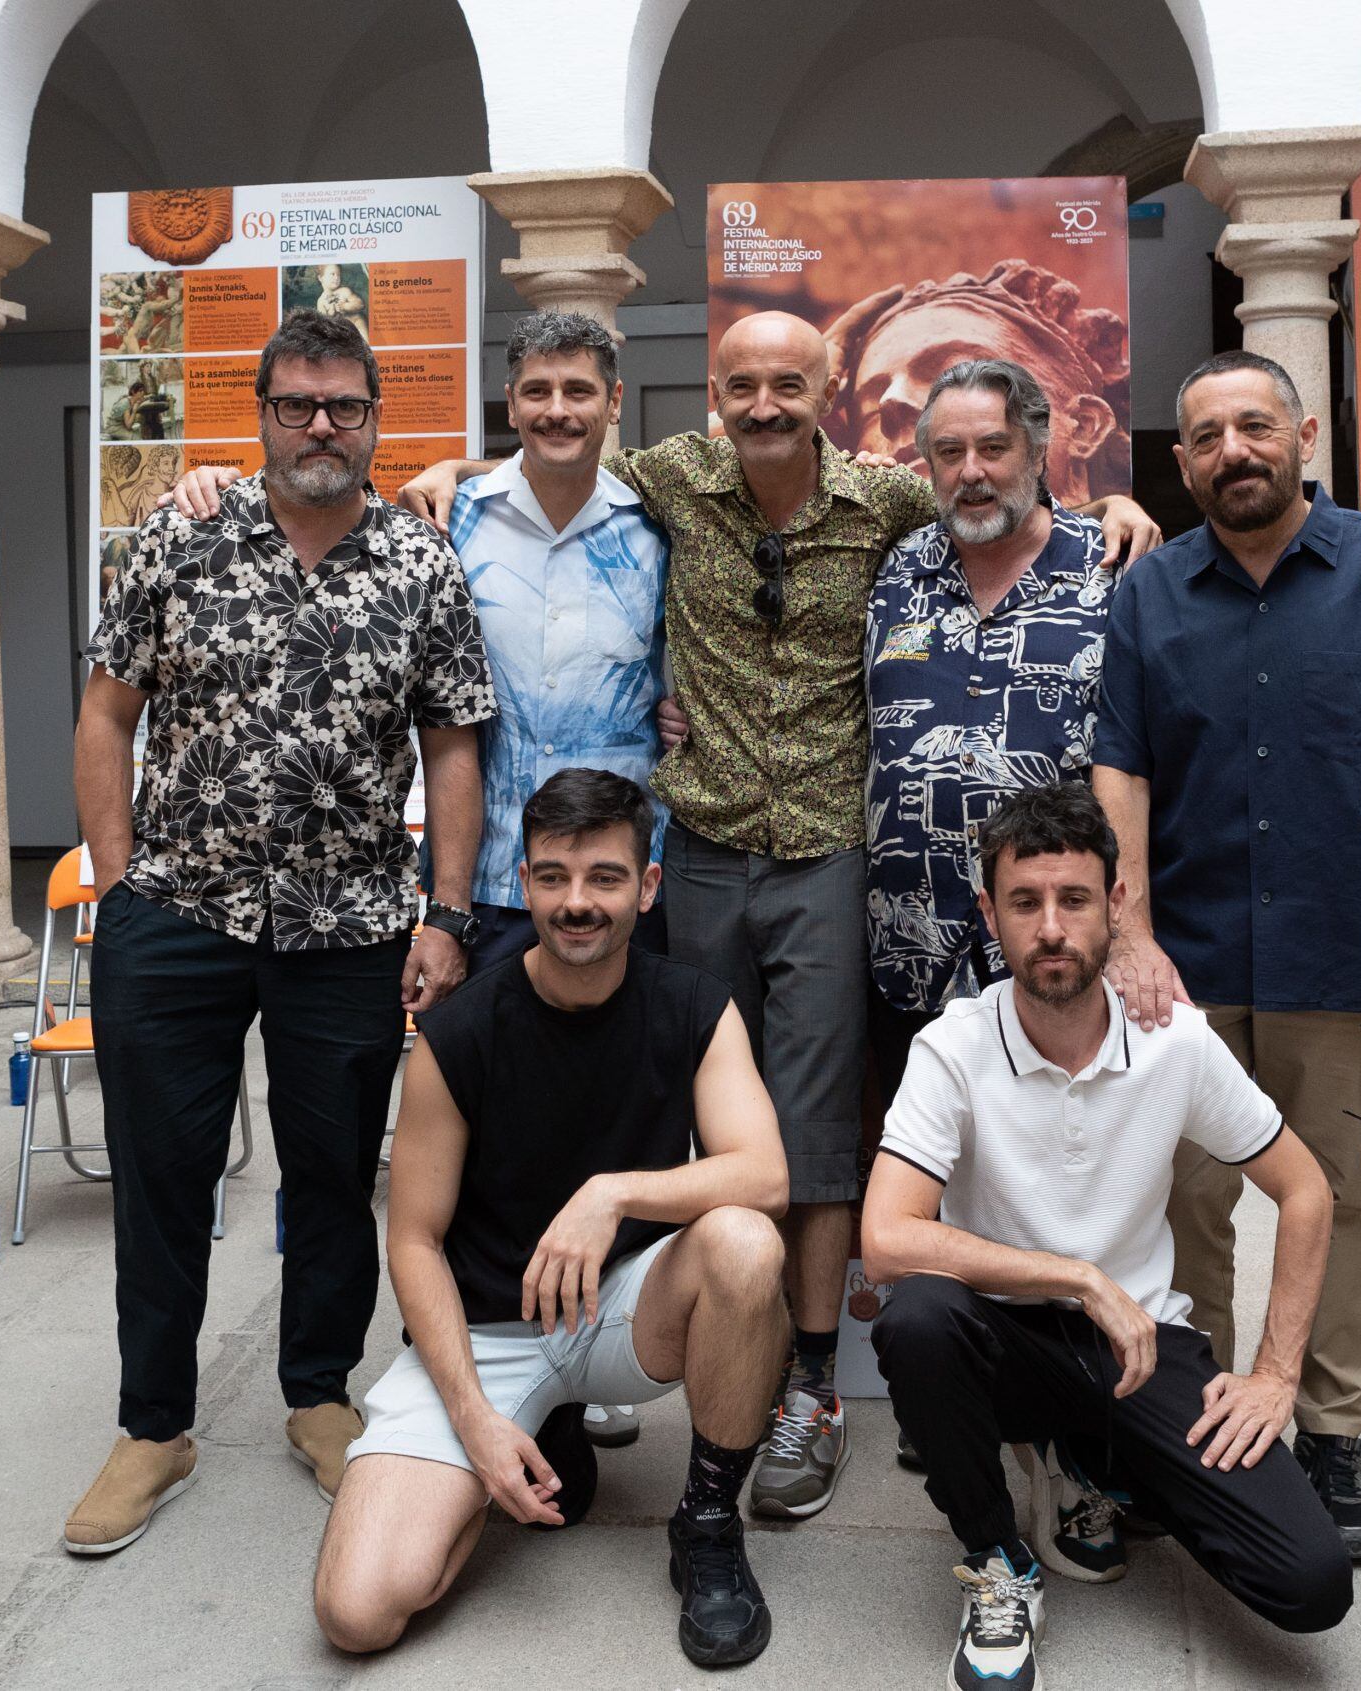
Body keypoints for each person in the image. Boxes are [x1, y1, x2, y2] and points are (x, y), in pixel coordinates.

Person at [399, 313, 1163, 1523]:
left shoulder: (884, 503)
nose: (764, 403)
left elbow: (1006, 511)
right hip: (695, 847)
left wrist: (1111, 513)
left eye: (787, 384)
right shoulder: (670, 478)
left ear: (826, 394)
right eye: (742, 384)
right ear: (715, 394)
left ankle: (808, 1382)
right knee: (696, 1108)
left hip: (824, 851)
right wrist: (442, 472)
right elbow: (551, 457)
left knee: (810, 1123)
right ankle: (648, 1342)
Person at [171, 308, 673, 1450]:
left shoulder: (658, 519)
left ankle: (590, 1351)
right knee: (470, 1130)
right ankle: (461, 1336)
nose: (556, 410)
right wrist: (204, 480)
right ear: (510, 402)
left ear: (611, 399)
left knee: (608, 1116)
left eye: (578, 391)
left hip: (613, 876)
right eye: (537, 389)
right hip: (488, 881)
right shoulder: (443, 516)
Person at [1090, 349, 1361, 1564]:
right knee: (1178, 1197)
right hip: (1182, 958)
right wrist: (1127, 930)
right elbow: (1118, 763)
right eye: (1205, 437)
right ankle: (1185, 1419)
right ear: (1178, 464)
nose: (1233, 451)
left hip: (1343, 944)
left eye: (1254, 425)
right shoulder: (1149, 594)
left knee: (1329, 1196)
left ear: (1305, 433)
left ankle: (1329, 1431)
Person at [64, 309, 494, 1556]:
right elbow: (106, 713)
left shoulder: (419, 565)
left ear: (375, 421)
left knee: (330, 1172)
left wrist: (446, 913)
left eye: (345, 407)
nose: (321, 426)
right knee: (162, 1171)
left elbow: (452, 744)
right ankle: (156, 1424)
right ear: (258, 415)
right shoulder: (174, 540)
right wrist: (118, 881)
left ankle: (316, 1392)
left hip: (349, 921)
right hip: (178, 914)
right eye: (298, 404)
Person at [861, 780, 1350, 1691]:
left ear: (1115, 904)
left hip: (1139, 1345)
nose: (1051, 927)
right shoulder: (953, 1045)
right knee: (919, 1315)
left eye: (1075, 899)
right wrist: (1079, 1277)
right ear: (990, 914)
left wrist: (1277, 1374)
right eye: (1025, 902)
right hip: (1000, 1337)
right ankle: (1000, 1557)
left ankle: (1093, 1458)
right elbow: (886, 1236)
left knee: (1310, 1581)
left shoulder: (1175, 1041)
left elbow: (1307, 1190)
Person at [316, 769, 790, 1668]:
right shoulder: (459, 1033)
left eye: (605, 876)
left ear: (646, 886)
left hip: (622, 1310)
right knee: (357, 1610)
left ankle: (708, 1525)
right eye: (554, 876)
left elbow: (765, 1176)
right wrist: (474, 1420)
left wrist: (613, 1191)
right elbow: (412, 1239)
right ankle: (534, 1434)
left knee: (744, 1240)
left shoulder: (694, 1004)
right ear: (524, 881)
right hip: (488, 1329)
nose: (579, 902)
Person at [864, 356, 1110, 1105]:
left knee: (1055, 1172)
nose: (971, 472)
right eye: (949, 452)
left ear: (1039, 454)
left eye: (993, 448)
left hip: (1052, 952)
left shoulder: (1114, 570)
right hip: (909, 947)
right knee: (916, 1176)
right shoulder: (894, 570)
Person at [825, 259, 1131, 505]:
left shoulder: (1128, 573)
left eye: (950, 375)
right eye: (868, 410)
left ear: (1083, 426)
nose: (890, 402)